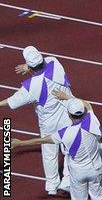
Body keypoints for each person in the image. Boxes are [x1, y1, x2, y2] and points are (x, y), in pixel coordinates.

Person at [0, 46, 72, 195]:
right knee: (70, 149)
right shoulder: (55, 63)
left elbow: (12, 101)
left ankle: (52, 186)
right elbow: (46, 62)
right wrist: (30, 67)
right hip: (67, 115)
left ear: (30, 66)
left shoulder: (31, 87)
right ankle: (67, 181)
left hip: (49, 122)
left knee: (49, 152)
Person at [11, 97, 102, 200]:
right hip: (95, 169)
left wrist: (21, 143)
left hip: (78, 172)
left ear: (69, 115)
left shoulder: (64, 133)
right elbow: (87, 104)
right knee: (99, 198)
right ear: (83, 112)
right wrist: (66, 96)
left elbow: (41, 140)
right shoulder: (92, 121)